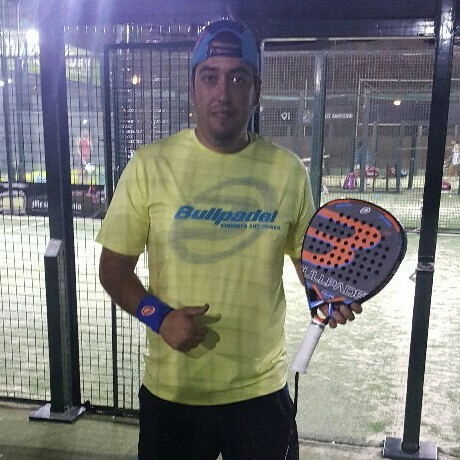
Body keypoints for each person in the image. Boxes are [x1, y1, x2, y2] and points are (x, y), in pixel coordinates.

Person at [96, 19, 362, 460]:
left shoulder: (287, 172)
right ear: (192, 88)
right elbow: (113, 269)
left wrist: (329, 293)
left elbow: (308, 263)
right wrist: (159, 317)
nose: (223, 93)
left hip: (261, 394)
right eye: (210, 77)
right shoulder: (149, 165)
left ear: (256, 91)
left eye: (238, 78)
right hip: (174, 395)